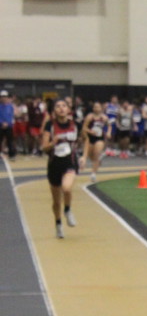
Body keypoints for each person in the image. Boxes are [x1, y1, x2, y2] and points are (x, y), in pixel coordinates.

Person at [40, 99, 80, 239]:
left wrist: (84, 156)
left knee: (67, 188)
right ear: (54, 111)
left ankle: (67, 210)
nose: (61, 108)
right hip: (54, 164)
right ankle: (58, 223)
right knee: (56, 201)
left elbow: (86, 139)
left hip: (70, 162)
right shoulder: (50, 125)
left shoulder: (75, 124)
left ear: (69, 109)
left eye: (64, 106)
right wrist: (53, 142)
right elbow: (44, 147)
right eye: (58, 106)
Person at [79, 101, 108, 183]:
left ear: (101, 108)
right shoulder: (90, 117)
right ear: (93, 108)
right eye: (95, 107)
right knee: (91, 156)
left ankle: (93, 174)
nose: (96, 108)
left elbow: (109, 126)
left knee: (97, 153)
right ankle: (98, 162)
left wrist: (108, 132)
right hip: (90, 138)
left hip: (99, 138)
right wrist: (90, 131)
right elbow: (84, 128)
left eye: (98, 107)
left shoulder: (104, 117)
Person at [0, 90, 15, 160]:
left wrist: (7, 123)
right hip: (0, 126)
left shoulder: (10, 106)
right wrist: (2, 123)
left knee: (10, 141)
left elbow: (11, 116)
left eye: (5, 97)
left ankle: (11, 154)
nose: (3, 98)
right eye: (2, 97)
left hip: (8, 126)